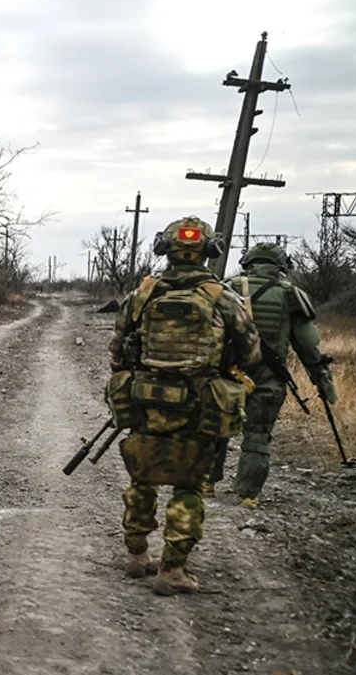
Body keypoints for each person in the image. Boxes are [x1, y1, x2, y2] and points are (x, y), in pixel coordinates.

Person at [107, 216, 260, 595]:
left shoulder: (144, 293)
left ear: (166, 251)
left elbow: (117, 352)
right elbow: (251, 354)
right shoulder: (222, 297)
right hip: (199, 404)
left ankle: (136, 555)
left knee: (142, 477)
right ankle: (173, 570)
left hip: (146, 401)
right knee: (189, 483)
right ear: (210, 251)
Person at [222, 242, 337, 508]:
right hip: (269, 374)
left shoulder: (227, 289)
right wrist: (320, 377)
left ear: (247, 263)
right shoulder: (290, 295)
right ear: (281, 266)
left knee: (216, 426)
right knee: (258, 432)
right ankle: (248, 494)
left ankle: (206, 484)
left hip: (227, 371)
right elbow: (308, 345)